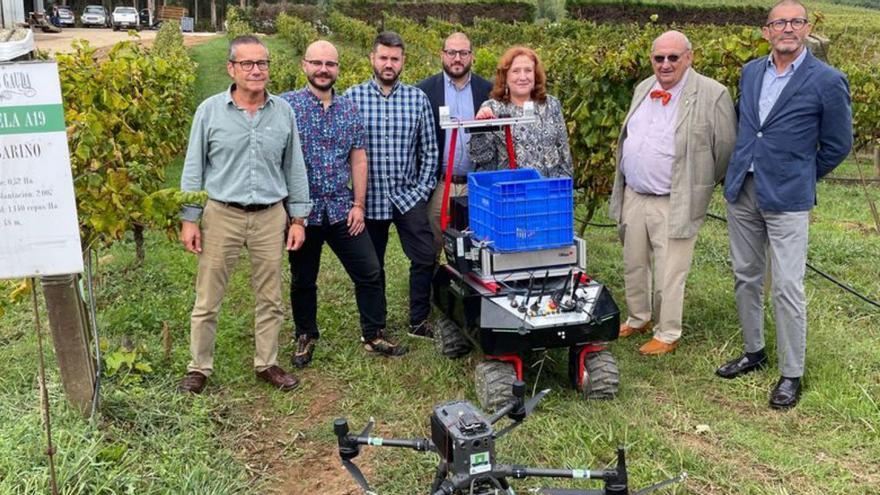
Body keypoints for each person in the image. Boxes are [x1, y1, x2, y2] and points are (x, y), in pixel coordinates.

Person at [717, 0, 852, 409]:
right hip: (744, 190)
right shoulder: (751, 71)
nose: (788, 28)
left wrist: (800, 176)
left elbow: (838, 145)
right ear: (767, 32)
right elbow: (747, 125)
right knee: (746, 276)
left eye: (795, 21)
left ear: (806, 28)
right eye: (780, 22)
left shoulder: (827, 80)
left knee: (788, 287)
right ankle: (754, 351)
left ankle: (791, 373)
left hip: (788, 198)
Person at [177, 36, 311, 394]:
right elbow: (194, 168)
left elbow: (294, 168)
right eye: (248, 64)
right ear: (231, 69)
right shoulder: (209, 111)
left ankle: (267, 362)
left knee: (270, 296)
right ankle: (198, 367)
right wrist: (190, 217)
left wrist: (298, 218)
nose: (256, 70)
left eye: (262, 63)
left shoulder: (283, 112)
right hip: (222, 214)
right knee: (207, 298)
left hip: (270, 216)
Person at [608, 31, 737, 356]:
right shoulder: (643, 87)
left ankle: (667, 332)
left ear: (689, 58)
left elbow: (724, 148)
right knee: (634, 263)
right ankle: (639, 318)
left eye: (673, 57)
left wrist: (700, 183)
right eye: (658, 58)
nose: (665, 64)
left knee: (669, 271)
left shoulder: (713, 94)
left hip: (674, 199)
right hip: (635, 194)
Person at [280, 40, 406, 367]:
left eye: (330, 64)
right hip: (303, 214)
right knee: (303, 277)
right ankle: (305, 333)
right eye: (317, 63)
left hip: (340, 207)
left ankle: (373, 332)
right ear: (304, 65)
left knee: (369, 269)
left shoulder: (350, 107)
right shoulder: (286, 106)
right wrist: (289, 211)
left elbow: (358, 159)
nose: (324, 69)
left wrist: (358, 205)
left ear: (338, 69)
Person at [345, 32, 440, 340]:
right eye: (383, 57)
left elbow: (430, 152)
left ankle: (419, 320)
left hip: (407, 196)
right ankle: (375, 325)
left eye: (394, 59)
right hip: (368, 199)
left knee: (425, 256)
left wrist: (422, 191)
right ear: (372, 59)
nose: (389, 64)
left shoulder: (417, 99)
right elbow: (341, 150)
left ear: (403, 62)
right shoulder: (351, 98)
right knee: (372, 267)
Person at [416, 32, 493, 251]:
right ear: (442, 54)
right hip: (440, 184)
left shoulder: (487, 91)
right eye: (451, 52)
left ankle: (466, 283)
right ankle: (431, 284)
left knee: (476, 241)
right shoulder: (424, 90)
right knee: (432, 242)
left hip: (475, 183)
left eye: (463, 53)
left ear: (472, 56)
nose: (457, 58)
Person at [468, 46, 572, 178]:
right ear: (505, 77)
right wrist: (480, 127)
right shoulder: (493, 108)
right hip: (511, 193)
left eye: (528, 70)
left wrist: (564, 189)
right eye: (516, 71)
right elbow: (481, 157)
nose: (523, 77)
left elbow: (564, 154)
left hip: (548, 192)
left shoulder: (551, 105)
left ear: (535, 75)